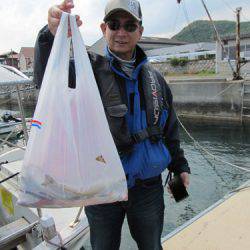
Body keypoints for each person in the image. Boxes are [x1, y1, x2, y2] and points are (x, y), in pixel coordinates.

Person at [34, 0, 190, 249]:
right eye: (114, 24)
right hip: (101, 188)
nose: (121, 32)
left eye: (129, 26)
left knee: (151, 245)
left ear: (140, 31)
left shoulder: (157, 80)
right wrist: (49, 36)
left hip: (147, 188)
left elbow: (168, 129)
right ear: (103, 28)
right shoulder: (86, 72)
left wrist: (180, 165)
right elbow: (47, 78)